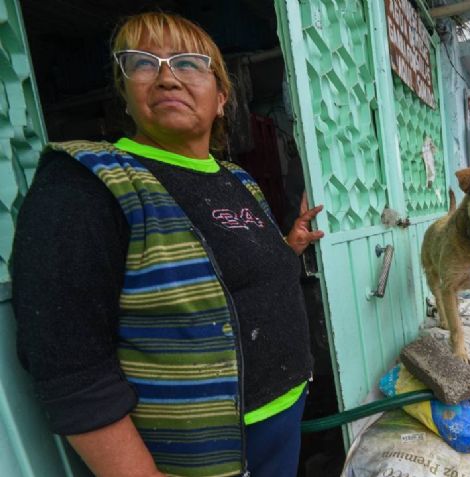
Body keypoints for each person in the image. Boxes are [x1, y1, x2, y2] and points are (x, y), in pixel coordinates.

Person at [11, 12, 324, 477]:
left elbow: (220, 275)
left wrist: (287, 246)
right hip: (203, 457)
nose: (166, 76)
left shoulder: (236, 178)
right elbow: (69, 366)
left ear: (221, 98)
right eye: (143, 62)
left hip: (284, 418)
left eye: (189, 63)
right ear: (125, 91)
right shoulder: (87, 182)